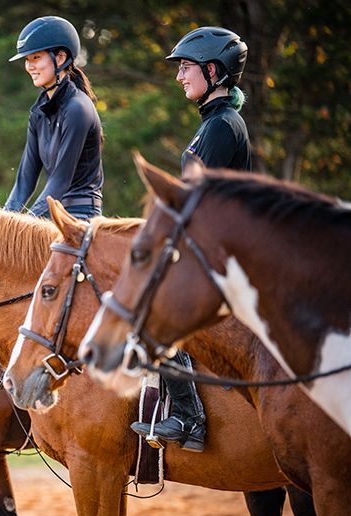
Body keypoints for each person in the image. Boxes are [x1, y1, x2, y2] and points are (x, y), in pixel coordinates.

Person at [130, 27, 250, 452]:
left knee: (154, 306)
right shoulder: (213, 124)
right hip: (206, 245)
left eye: (185, 67)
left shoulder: (221, 127)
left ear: (212, 70)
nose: (179, 76)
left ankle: (187, 415)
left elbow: (196, 206)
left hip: (213, 252)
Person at [5, 15, 104, 221]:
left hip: (81, 217)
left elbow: (60, 182)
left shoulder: (78, 109)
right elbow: (25, 181)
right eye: (27, 59)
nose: (29, 66)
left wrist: (23, 223)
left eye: (36, 57)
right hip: (52, 214)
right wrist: (1, 221)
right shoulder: (38, 111)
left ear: (59, 58)